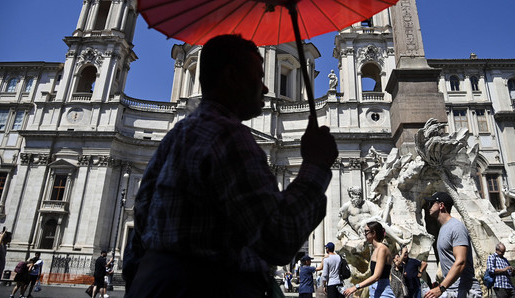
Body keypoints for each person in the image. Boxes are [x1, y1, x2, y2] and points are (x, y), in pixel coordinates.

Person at [123, 34, 338, 297]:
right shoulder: (228, 138)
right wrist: (315, 165)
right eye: (259, 77)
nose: (267, 88)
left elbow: (137, 242)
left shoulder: (174, 137)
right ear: (231, 76)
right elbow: (279, 237)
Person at [423, 192, 481, 298]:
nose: (428, 206)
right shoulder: (443, 229)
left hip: (465, 290)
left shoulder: (456, 227)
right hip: (451, 290)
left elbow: (461, 262)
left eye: (431, 203)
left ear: (441, 205)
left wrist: (441, 288)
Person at [343, 221, 395, 297]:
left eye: (366, 231)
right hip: (375, 291)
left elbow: (376, 276)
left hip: (383, 293)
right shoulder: (376, 249)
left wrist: (355, 287)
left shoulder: (382, 249)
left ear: (373, 233)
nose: (364, 234)